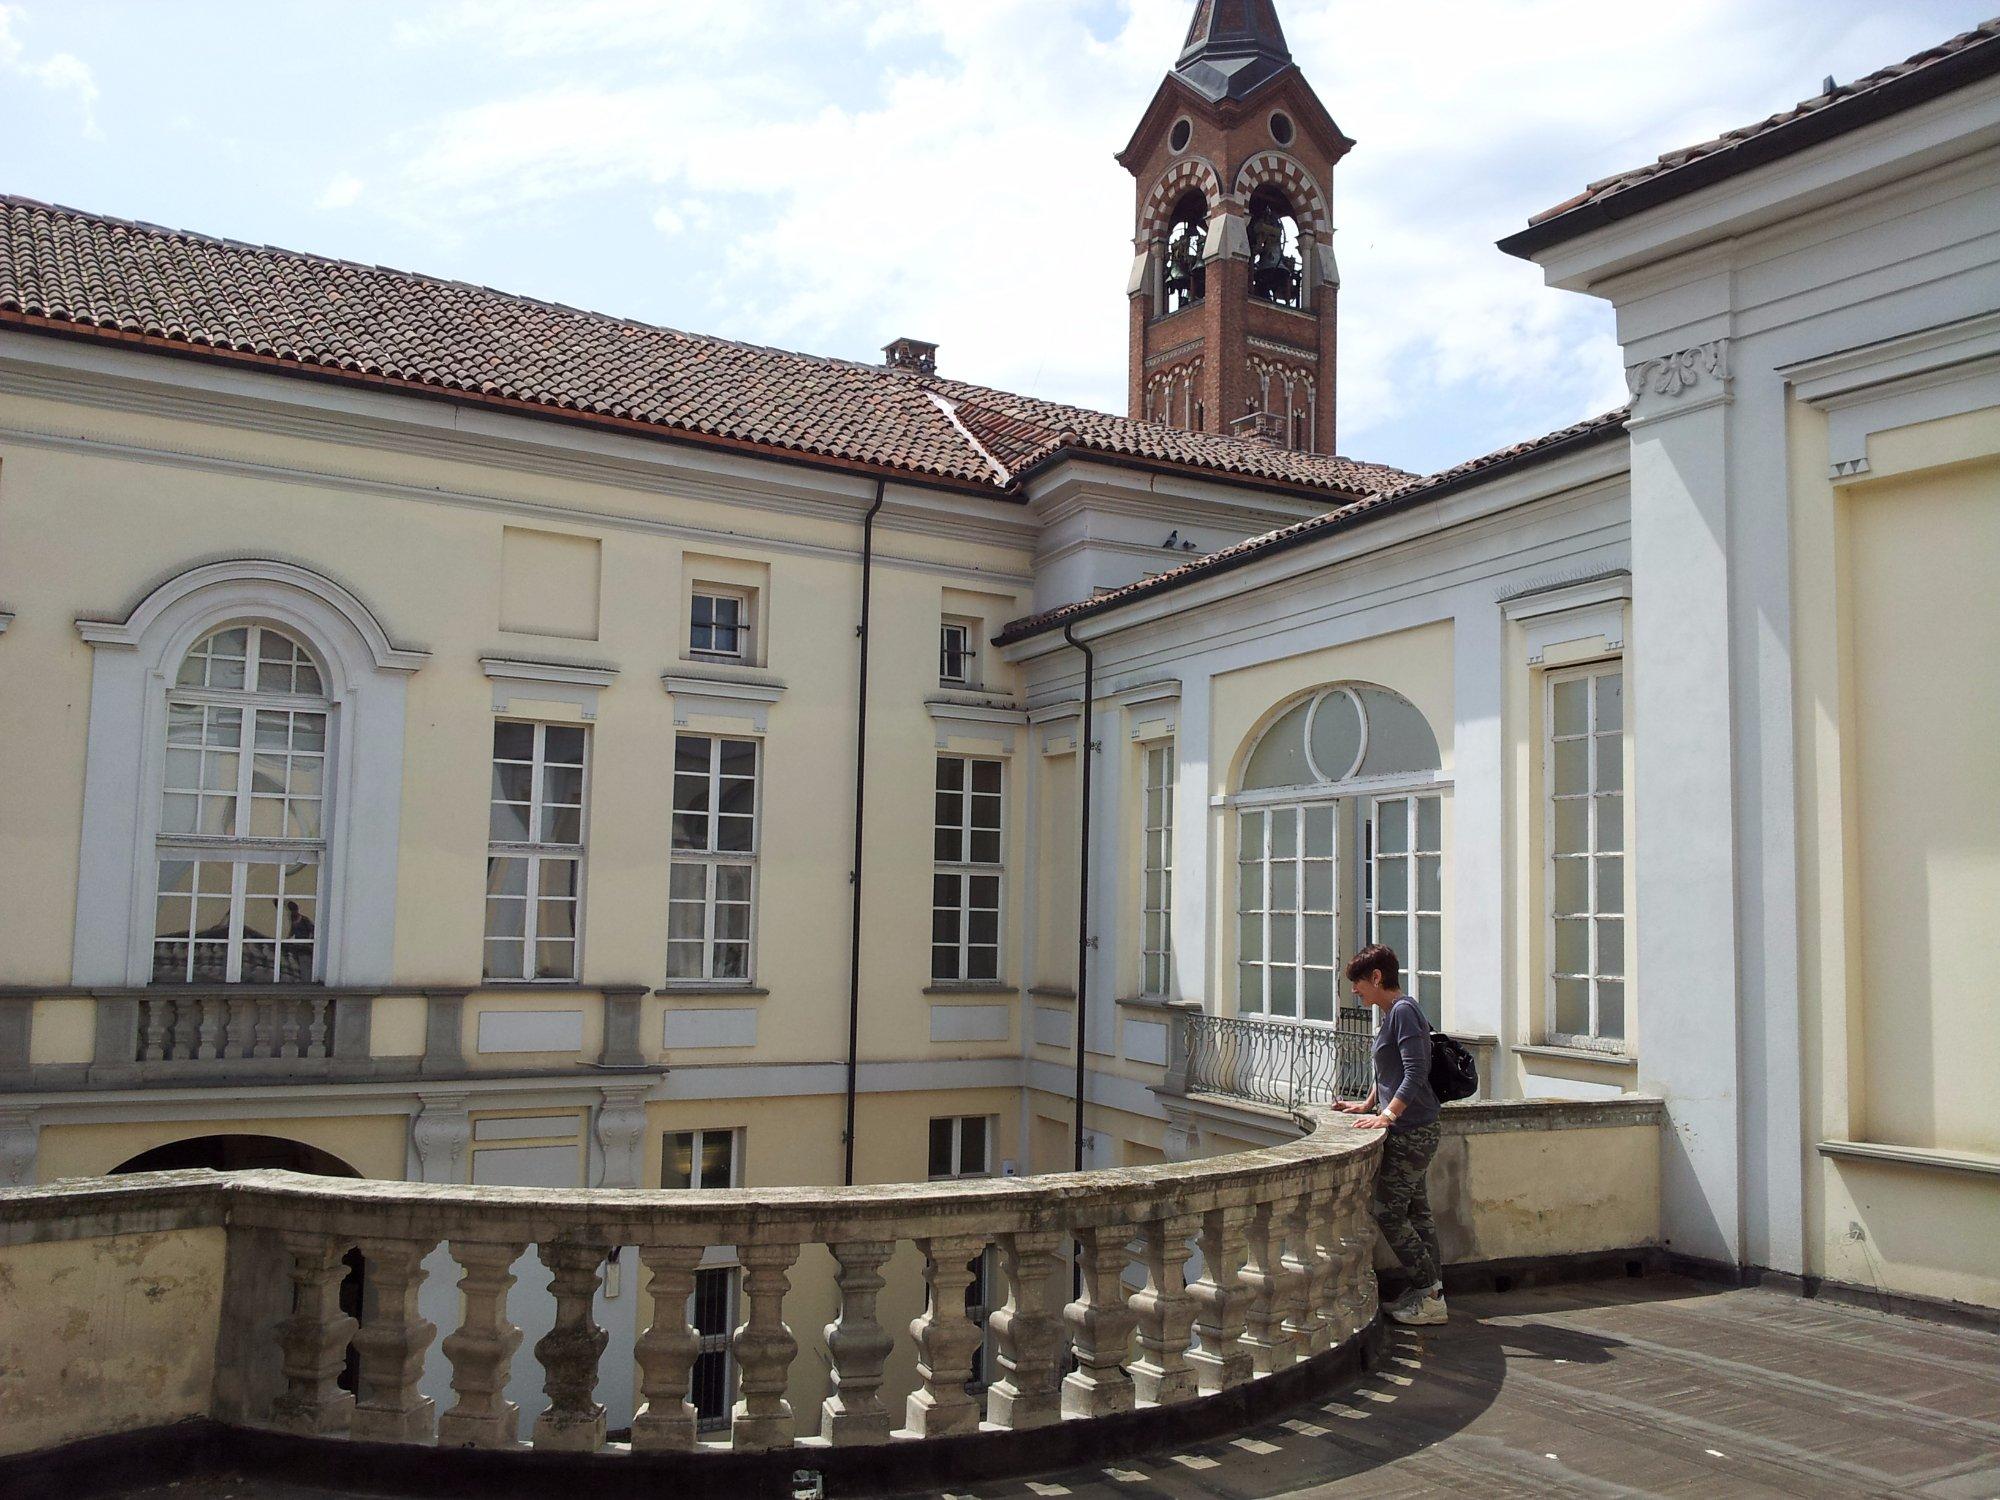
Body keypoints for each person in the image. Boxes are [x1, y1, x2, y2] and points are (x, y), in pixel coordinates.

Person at [1335, 943, 1447, 1327]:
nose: (1355, 991)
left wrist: (1387, 1115)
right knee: (1418, 1213)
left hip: (1414, 1129)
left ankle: (1430, 1294)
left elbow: (1415, 1071)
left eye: (1358, 983)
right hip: (1411, 1126)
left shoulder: (1403, 1012)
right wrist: (1367, 1105)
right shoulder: (1392, 1013)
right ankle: (1431, 1293)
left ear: (1377, 977)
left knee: (1387, 1210)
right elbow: (1389, 1071)